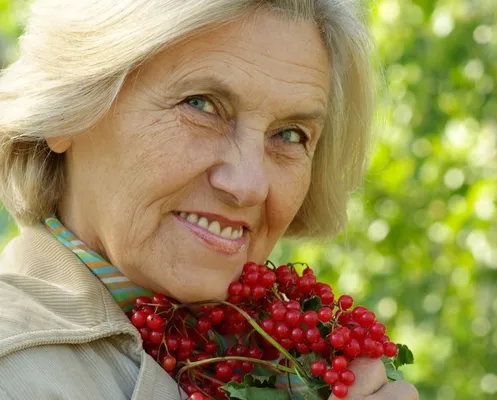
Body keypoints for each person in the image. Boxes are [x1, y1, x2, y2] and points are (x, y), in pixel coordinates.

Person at [0, 0, 419, 399]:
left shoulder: (280, 363)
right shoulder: (13, 368)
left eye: (290, 135)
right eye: (200, 105)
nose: (249, 185)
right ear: (65, 112)